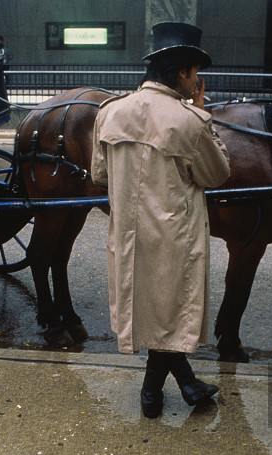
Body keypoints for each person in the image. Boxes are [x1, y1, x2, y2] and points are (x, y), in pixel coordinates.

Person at [91, 22, 230, 418]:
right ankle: (159, 390)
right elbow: (218, 174)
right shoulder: (190, 122)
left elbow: (99, 174)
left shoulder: (110, 113)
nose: (197, 82)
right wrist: (203, 114)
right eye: (196, 73)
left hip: (130, 238)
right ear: (183, 72)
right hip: (174, 239)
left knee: (153, 315)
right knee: (169, 316)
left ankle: (174, 387)